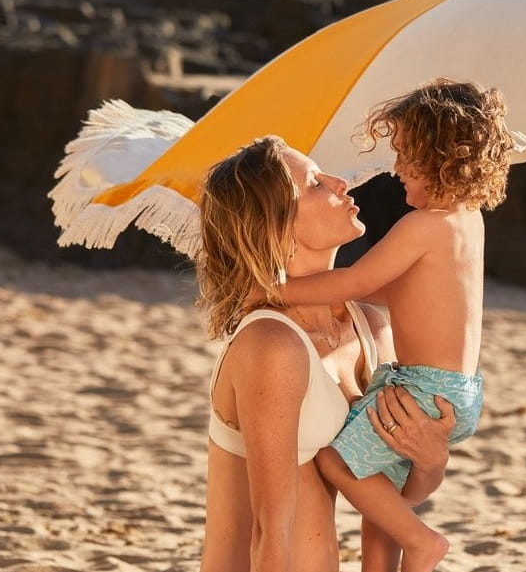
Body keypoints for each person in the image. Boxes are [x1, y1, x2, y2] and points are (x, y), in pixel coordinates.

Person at [276, 78, 513, 572]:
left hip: (425, 389)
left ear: (443, 156)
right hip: (458, 389)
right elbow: (405, 294)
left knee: (335, 463)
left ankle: (424, 546)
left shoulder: (422, 225)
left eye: (405, 153)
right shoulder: (469, 221)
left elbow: (357, 281)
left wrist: (272, 291)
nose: (397, 166)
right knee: (381, 503)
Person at [196, 135, 457, 572]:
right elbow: (269, 530)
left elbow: (395, 495)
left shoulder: (371, 327)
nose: (341, 183)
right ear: (275, 224)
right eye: (315, 183)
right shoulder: (272, 344)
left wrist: (432, 458)